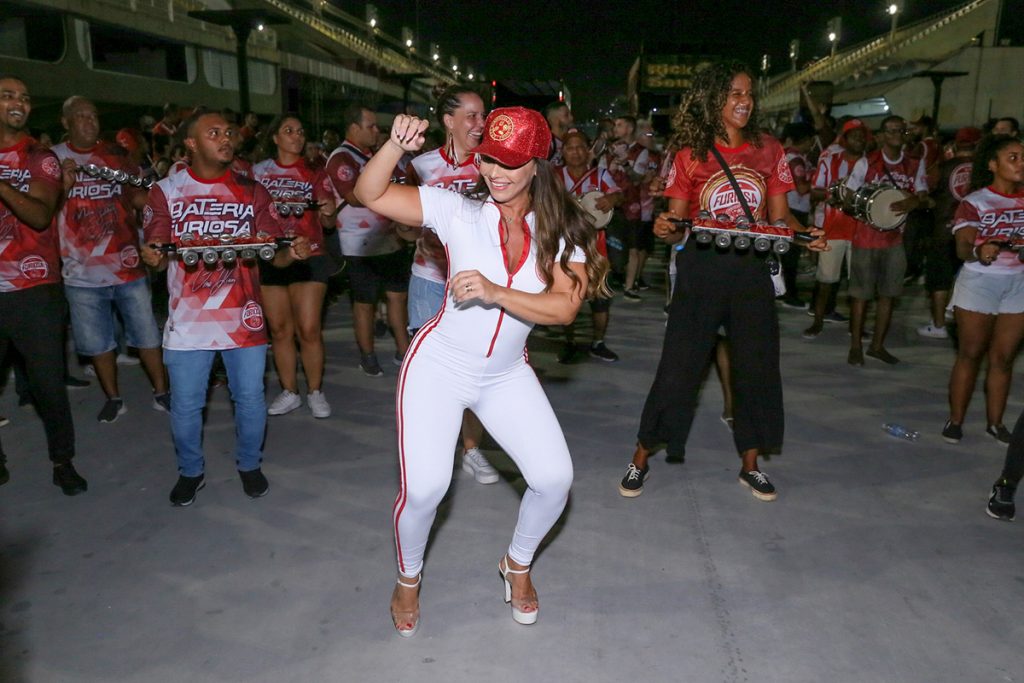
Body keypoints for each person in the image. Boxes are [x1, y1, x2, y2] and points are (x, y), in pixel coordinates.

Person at [354, 107, 607, 635]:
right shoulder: (457, 211)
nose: (495, 172)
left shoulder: (564, 231)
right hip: (439, 366)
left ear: (537, 164)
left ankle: (516, 565)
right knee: (424, 489)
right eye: (488, 158)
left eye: (510, 162)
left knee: (555, 479)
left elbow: (563, 309)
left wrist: (495, 292)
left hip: (505, 373)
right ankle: (408, 578)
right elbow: (370, 194)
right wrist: (395, 148)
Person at [618, 61, 825, 502]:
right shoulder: (690, 153)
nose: (744, 101)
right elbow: (676, 224)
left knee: (757, 366)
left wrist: (808, 235)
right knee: (678, 367)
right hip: (702, 267)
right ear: (713, 99)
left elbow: (780, 217)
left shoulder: (769, 149)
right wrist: (665, 228)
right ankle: (640, 456)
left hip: (751, 270)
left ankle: (750, 466)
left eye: (748, 93)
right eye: (733, 93)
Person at [141, 108, 311, 506]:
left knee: (250, 398)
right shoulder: (165, 191)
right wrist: (151, 256)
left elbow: (275, 257)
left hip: (243, 318)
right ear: (190, 143)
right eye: (213, 132)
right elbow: (156, 248)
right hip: (188, 321)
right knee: (186, 405)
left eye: (229, 132)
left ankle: (249, 465)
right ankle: (191, 471)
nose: (226, 138)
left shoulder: (253, 191)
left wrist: (294, 253)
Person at [52, 96, 170, 423]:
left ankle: (162, 392)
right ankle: (113, 398)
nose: (90, 122)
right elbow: (41, 208)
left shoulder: (114, 157)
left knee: (147, 335)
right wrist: (62, 184)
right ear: (66, 123)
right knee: (98, 343)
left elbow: (139, 197)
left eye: (93, 116)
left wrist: (168, 197)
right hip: (80, 273)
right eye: (81, 117)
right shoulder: (53, 160)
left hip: (127, 265)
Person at [401, 85, 496, 484]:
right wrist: (415, 232)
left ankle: (472, 450)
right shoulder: (421, 166)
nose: (480, 123)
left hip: (475, 284)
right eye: (472, 116)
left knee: (474, 371)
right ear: (448, 121)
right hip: (428, 280)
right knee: (429, 373)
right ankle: (432, 455)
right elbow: (400, 222)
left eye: (482, 116)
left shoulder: (491, 165)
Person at [0, 75, 86, 495]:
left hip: (34, 289)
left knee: (47, 383)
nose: (19, 102)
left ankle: (62, 460)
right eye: (8, 96)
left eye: (25, 96)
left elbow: (38, 215)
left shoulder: (39, 157)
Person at [253, 114, 338, 418]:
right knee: (279, 329)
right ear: (275, 137)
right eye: (288, 131)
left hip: (309, 254)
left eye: (300, 131)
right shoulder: (257, 172)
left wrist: (328, 211)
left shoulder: (315, 172)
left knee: (309, 328)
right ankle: (290, 391)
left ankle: (315, 391)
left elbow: (328, 221)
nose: (296, 136)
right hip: (270, 254)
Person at [942, 134, 1024, 446]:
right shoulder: (975, 202)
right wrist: (979, 251)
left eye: (1023, 157)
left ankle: (996, 422)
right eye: (1012, 157)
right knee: (971, 353)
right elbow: (963, 247)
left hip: (1017, 283)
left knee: (1003, 358)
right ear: (993, 165)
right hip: (980, 283)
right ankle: (956, 420)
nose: (1021, 163)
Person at [326, 104, 411, 376]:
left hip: (391, 241)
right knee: (365, 303)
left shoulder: (373, 155)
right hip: (359, 245)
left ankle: (404, 352)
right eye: (371, 126)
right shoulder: (341, 158)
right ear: (354, 128)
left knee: (397, 298)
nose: (377, 131)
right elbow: (354, 196)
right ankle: (368, 355)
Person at [845, 115, 929, 366]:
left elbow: (923, 196)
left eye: (899, 130)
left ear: (905, 134)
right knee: (860, 296)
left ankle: (877, 346)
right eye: (889, 130)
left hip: (895, 239)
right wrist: (864, 206)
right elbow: (849, 194)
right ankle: (856, 346)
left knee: (888, 296)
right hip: (866, 237)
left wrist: (913, 202)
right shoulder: (866, 162)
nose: (894, 134)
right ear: (881, 135)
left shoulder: (915, 163)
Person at [556, 129, 623, 362]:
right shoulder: (555, 176)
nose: (575, 152)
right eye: (570, 147)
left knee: (600, 298)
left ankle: (598, 342)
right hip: (565, 247)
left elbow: (618, 194)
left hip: (597, 248)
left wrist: (610, 199)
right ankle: (569, 342)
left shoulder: (600, 174)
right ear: (563, 152)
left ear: (588, 150)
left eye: (580, 147)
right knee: (568, 296)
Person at [803, 119, 868, 339]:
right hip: (834, 228)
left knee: (858, 284)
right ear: (844, 138)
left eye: (862, 135)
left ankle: (857, 327)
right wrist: (835, 195)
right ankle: (818, 322)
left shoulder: (871, 163)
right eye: (854, 135)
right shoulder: (829, 160)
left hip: (861, 230)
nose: (859, 139)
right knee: (825, 281)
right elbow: (814, 191)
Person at [919, 127, 980, 339]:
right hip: (974, 233)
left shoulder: (942, 167)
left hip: (944, 231)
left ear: (955, 145)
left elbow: (926, 191)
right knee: (972, 280)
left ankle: (938, 325)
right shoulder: (986, 171)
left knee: (939, 280)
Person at [600, 115, 654, 301]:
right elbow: (600, 172)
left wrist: (625, 165)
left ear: (630, 129)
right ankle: (605, 282)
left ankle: (629, 287)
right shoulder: (608, 150)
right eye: (616, 124)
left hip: (631, 204)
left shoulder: (640, 152)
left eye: (620, 125)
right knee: (607, 244)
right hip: (610, 202)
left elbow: (638, 178)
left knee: (633, 246)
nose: (616, 128)